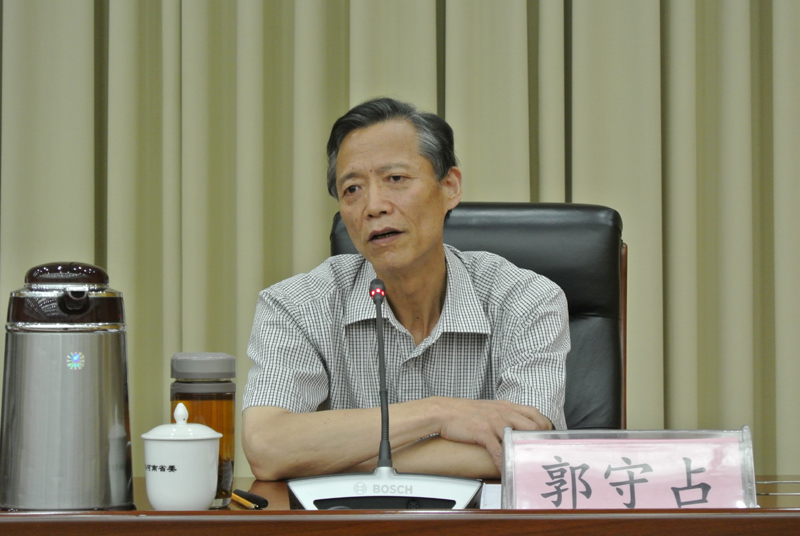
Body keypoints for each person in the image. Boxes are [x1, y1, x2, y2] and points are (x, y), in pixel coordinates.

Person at [242, 98, 569, 481]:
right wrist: (439, 413)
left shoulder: (527, 299)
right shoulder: (296, 305)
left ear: (449, 187)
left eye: (395, 179)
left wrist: (330, 454)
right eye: (352, 189)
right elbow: (267, 448)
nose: (373, 206)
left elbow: (528, 453)